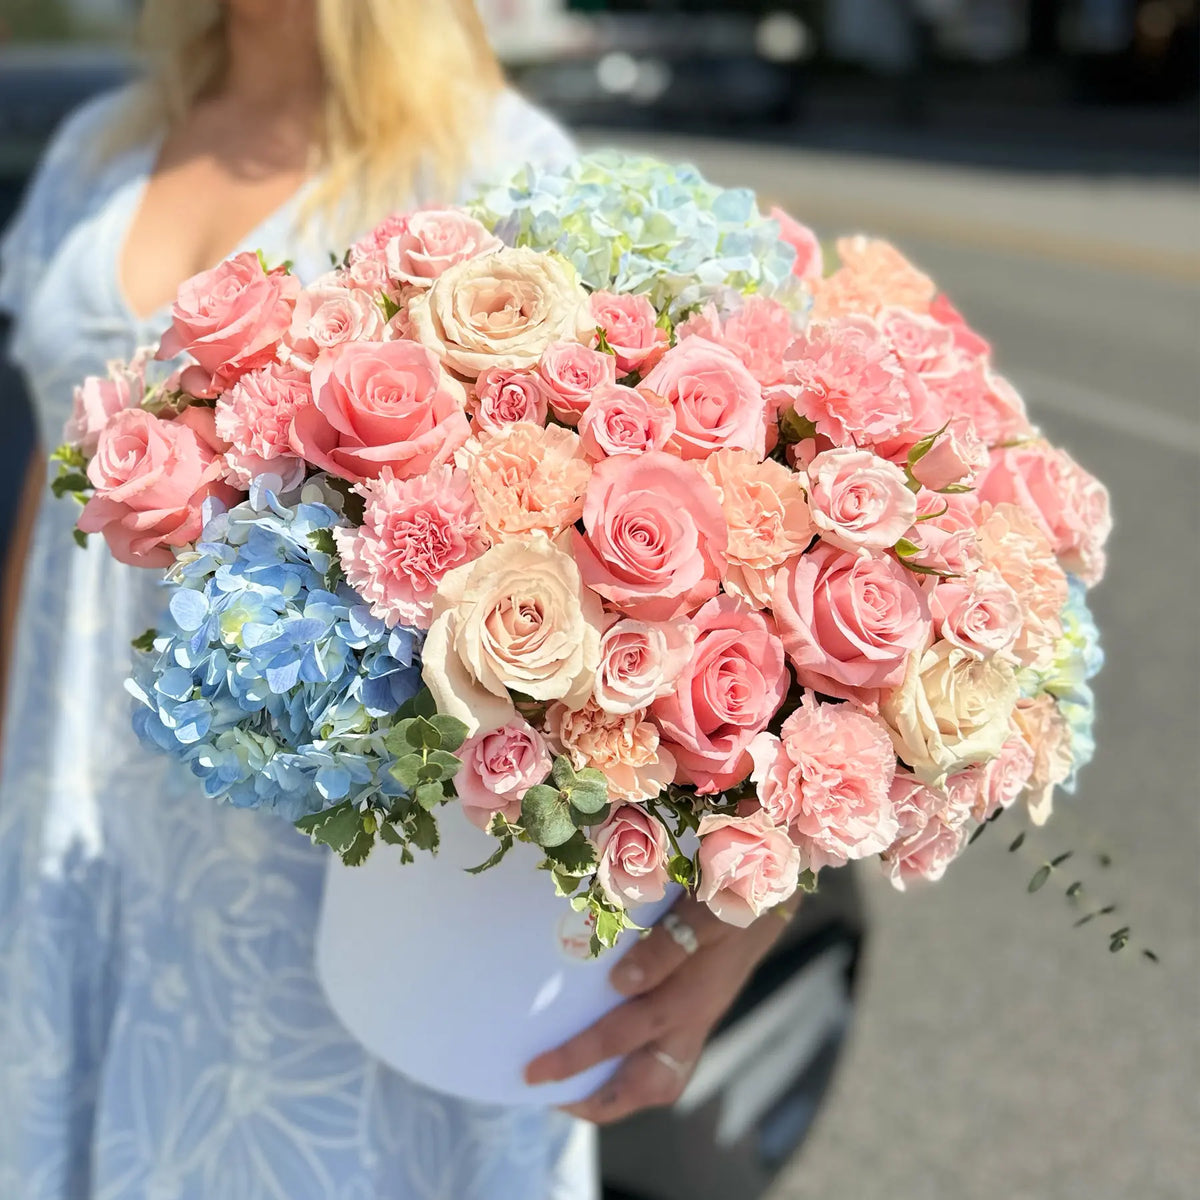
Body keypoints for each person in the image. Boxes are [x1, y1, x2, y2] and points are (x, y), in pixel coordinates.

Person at [0, 3, 799, 1197]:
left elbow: (705, 561)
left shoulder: (496, 165)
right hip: (65, 860)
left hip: (346, 915)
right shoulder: (100, 149)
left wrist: (743, 901)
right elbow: (45, 518)